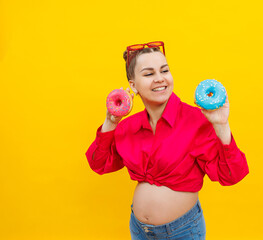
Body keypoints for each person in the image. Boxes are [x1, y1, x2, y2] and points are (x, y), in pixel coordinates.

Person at [85, 41, 249, 240]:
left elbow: (232, 175)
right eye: (148, 74)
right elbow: (98, 163)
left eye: (164, 70)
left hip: (183, 232)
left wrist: (222, 125)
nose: (160, 79)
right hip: (139, 230)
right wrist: (111, 122)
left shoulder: (197, 121)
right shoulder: (128, 127)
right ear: (133, 85)